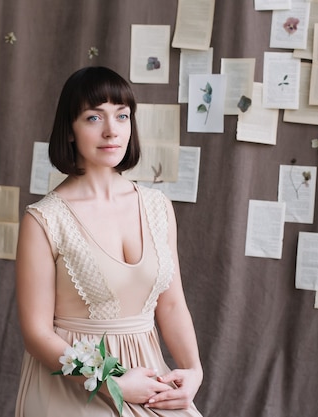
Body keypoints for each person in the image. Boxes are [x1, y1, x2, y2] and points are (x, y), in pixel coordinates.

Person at [15, 66, 203, 416]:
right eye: (93, 118)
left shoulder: (158, 206)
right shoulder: (43, 220)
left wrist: (193, 371)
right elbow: (36, 333)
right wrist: (109, 380)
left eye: (122, 115)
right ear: (69, 131)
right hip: (75, 384)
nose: (111, 130)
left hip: (148, 376)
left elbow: (172, 304)